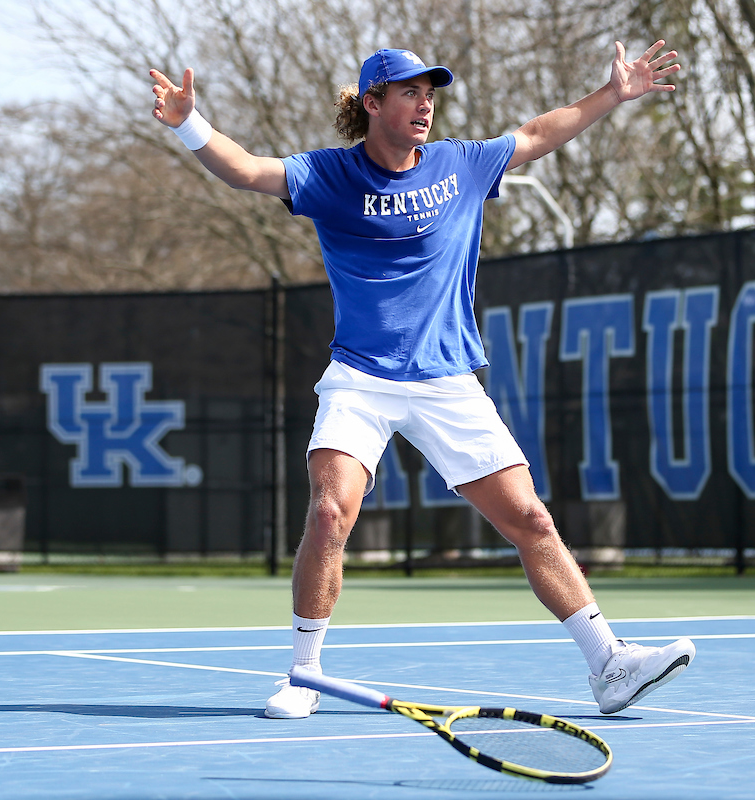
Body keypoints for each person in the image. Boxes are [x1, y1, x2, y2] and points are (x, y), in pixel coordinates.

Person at [149, 39, 694, 719]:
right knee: (328, 512)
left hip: (448, 380)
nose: (425, 105)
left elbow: (535, 133)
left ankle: (609, 664)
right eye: (409, 92)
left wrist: (613, 94)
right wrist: (190, 124)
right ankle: (304, 675)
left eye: (430, 94)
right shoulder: (329, 176)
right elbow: (247, 171)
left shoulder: (461, 164)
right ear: (372, 103)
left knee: (529, 517)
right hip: (359, 378)